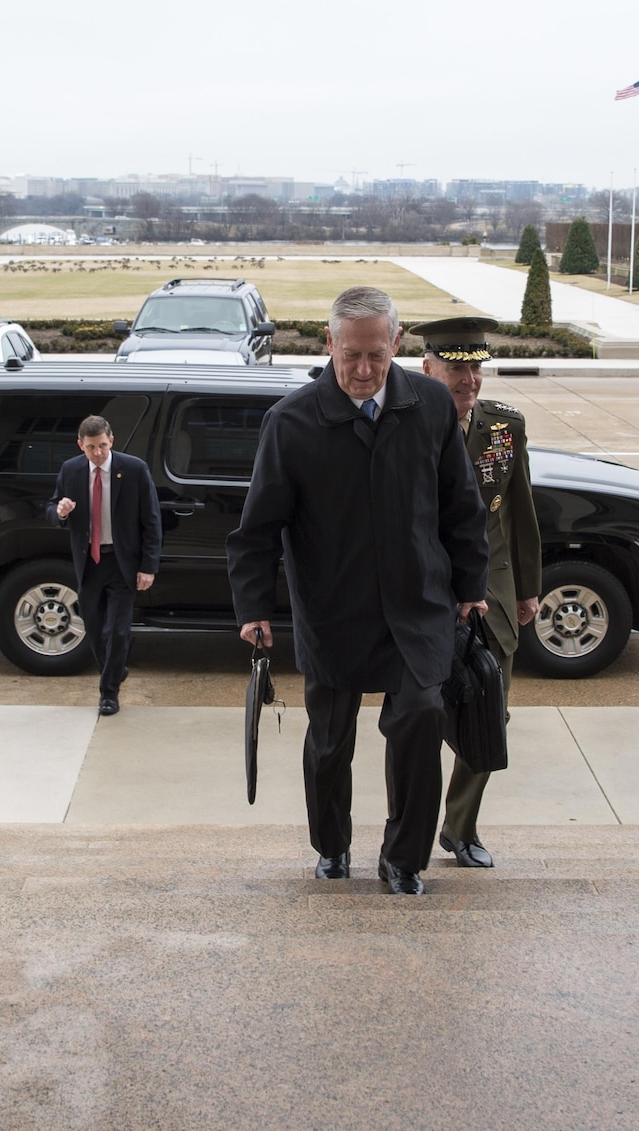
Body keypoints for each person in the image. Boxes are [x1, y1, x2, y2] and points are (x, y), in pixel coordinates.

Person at [227, 287, 490, 895]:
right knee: (328, 742)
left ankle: (403, 859)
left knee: (421, 719)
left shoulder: (429, 405)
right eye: (352, 356)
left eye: (377, 354)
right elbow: (256, 531)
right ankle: (332, 845)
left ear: (397, 344)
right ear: (329, 346)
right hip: (332, 614)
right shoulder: (289, 423)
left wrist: (471, 583)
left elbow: (462, 507)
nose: (366, 369)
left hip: (417, 609)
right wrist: (253, 608)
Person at [412, 316, 540, 870]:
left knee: (491, 717)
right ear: (428, 367)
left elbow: (520, 514)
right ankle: (409, 832)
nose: (469, 381)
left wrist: (528, 591)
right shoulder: (407, 422)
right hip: (427, 598)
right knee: (420, 720)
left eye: (476, 368)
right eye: (456, 369)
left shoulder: (505, 427)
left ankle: (460, 826)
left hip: (494, 595)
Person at [46, 415, 161, 716]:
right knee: (95, 629)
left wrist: (148, 566)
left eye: (103, 446)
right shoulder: (71, 470)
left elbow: (151, 520)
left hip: (122, 562)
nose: (98, 453)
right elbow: (52, 506)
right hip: (89, 562)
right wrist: (60, 512)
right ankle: (114, 669)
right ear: (80, 445)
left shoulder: (134, 469)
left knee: (118, 631)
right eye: (91, 447)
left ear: (112, 440)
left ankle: (108, 692)